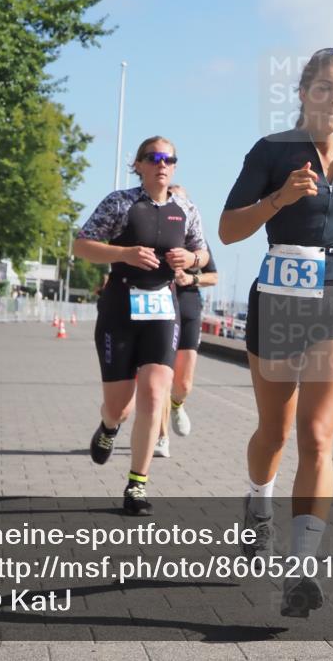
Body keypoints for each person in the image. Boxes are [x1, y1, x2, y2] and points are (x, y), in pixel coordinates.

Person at [219, 47, 333, 617]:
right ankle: (258, 502)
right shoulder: (271, 151)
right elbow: (228, 230)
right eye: (324, 88)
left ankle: (300, 569)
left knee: (317, 436)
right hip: (278, 299)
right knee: (274, 432)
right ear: (302, 93)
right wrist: (280, 198)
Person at [73, 136, 208, 516]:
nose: (162, 164)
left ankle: (137, 484)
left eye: (169, 159)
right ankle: (108, 426)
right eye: (154, 157)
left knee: (153, 393)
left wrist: (191, 259)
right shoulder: (120, 202)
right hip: (120, 307)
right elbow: (81, 245)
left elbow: (203, 252)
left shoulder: (186, 208)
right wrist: (125, 254)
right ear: (139, 165)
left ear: (175, 166)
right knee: (120, 407)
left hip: (163, 308)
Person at [151, 184, 219, 458]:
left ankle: (178, 405)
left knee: (183, 384)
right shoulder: (154, 235)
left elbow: (213, 276)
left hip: (189, 306)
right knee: (164, 377)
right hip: (161, 308)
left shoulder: (196, 241)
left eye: (181, 201)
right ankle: (161, 437)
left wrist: (190, 278)